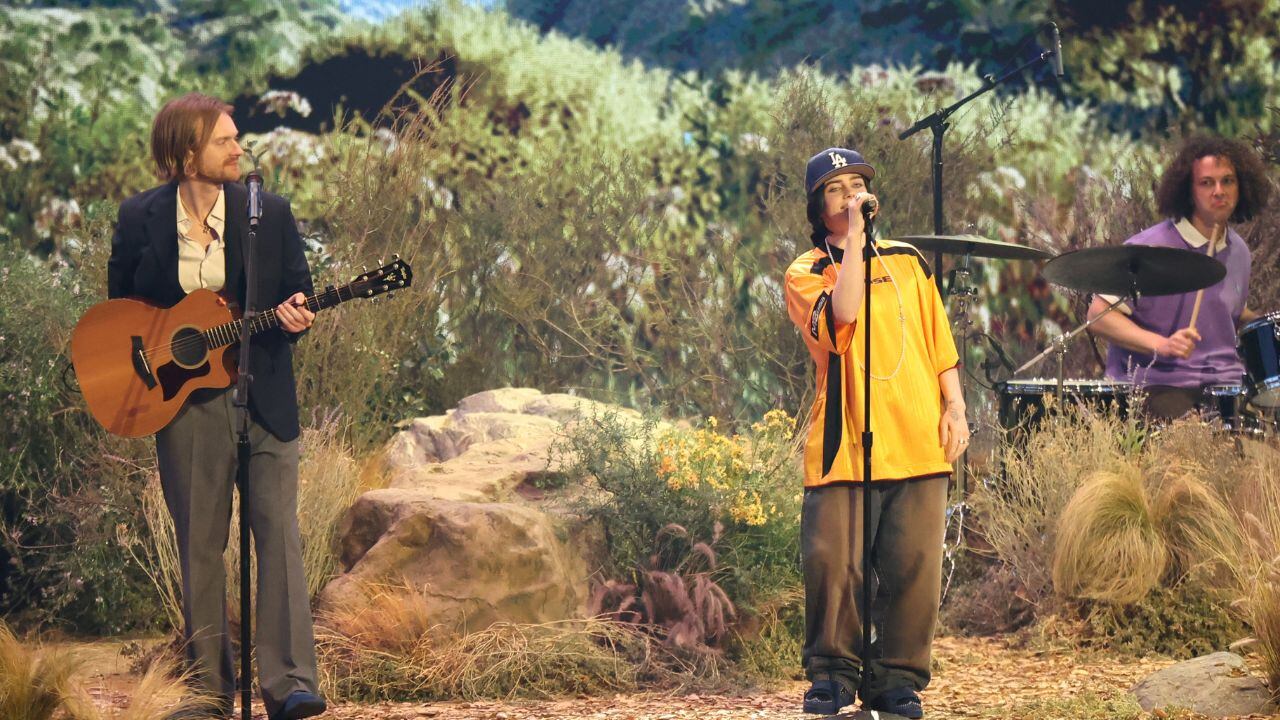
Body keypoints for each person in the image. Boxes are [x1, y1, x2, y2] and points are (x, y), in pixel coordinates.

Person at [107, 93, 326, 720]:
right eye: (224, 141)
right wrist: (151, 361)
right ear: (185, 155)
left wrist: (297, 316)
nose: (238, 149)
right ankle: (207, 692)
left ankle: (290, 684)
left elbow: (299, 291)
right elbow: (119, 309)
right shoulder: (140, 216)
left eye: (237, 138)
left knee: (278, 536)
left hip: (264, 394)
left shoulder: (268, 212)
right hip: (184, 402)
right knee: (200, 544)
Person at [783, 147, 968, 718]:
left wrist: (955, 406)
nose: (849, 196)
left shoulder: (909, 261)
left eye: (856, 185)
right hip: (846, 441)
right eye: (835, 189)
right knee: (836, 566)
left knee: (915, 568)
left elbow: (938, 341)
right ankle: (833, 676)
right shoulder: (807, 271)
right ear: (818, 207)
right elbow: (842, 316)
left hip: (917, 437)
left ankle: (896, 680)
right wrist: (857, 241)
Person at [1087, 135, 1271, 420]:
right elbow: (1098, 316)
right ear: (1188, 191)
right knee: (1196, 436)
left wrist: (1266, 325)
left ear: (1242, 186)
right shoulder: (1150, 248)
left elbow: (1226, 311)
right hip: (1159, 387)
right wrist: (1162, 344)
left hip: (1226, 386)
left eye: (1228, 181)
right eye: (1206, 183)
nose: (1219, 191)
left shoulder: (1239, 252)